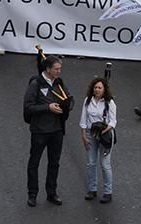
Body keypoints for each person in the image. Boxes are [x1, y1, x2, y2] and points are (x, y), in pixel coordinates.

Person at [23, 51, 71, 206]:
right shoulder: (36, 84)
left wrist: (68, 106)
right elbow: (28, 107)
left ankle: (52, 193)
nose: (59, 71)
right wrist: (48, 107)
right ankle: (32, 194)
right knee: (34, 163)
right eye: (56, 69)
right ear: (48, 69)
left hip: (56, 130)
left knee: (54, 163)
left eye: (59, 69)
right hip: (40, 131)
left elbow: (69, 98)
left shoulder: (59, 82)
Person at [79, 75, 116, 203]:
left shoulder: (109, 102)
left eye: (100, 87)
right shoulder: (87, 101)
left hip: (105, 136)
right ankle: (92, 189)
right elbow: (83, 119)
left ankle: (108, 192)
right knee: (91, 163)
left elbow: (113, 122)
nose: (97, 90)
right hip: (90, 134)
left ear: (104, 89)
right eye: (95, 87)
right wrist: (84, 135)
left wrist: (102, 132)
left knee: (105, 164)